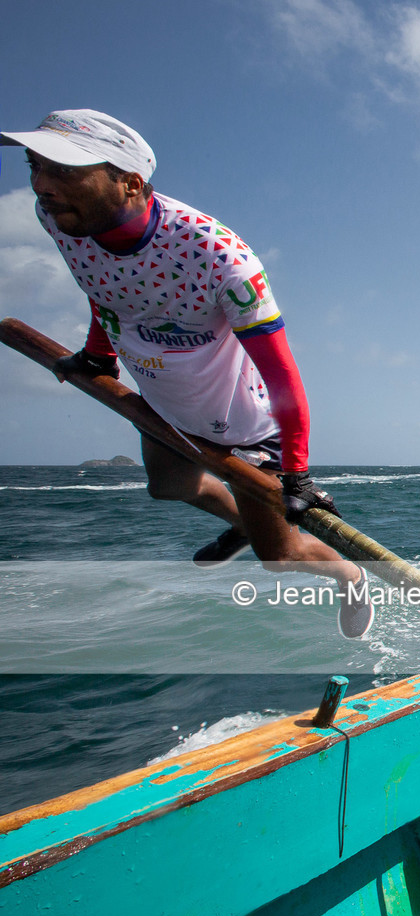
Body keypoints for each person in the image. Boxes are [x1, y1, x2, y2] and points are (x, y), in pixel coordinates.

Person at [2, 109, 371, 638]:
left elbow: (283, 374)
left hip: (242, 424)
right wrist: (98, 355)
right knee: (168, 487)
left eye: (62, 171)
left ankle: (352, 576)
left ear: (130, 183)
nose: (41, 186)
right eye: (34, 166)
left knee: (281, 559)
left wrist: (297, 474)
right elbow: (103, 288)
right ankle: (244, 522)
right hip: (163, 402)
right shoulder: (61, 219)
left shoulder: (220, 258)